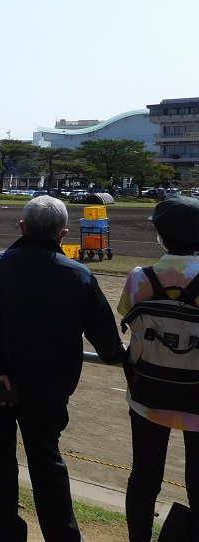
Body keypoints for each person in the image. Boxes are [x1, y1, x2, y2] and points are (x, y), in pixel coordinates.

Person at [0, 196, 125, 542]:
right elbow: (108, 344)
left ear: (22, 227)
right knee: (47, 463)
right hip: (49, 390)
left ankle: (8, 535)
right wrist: (124, 357)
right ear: (63, 234)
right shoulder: (78, 274)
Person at [118, 196, 199, 542]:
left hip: (148, 393)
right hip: (197, 397)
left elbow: (128, 320)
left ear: (162, 237)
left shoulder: (141, 278)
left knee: (144, 476)